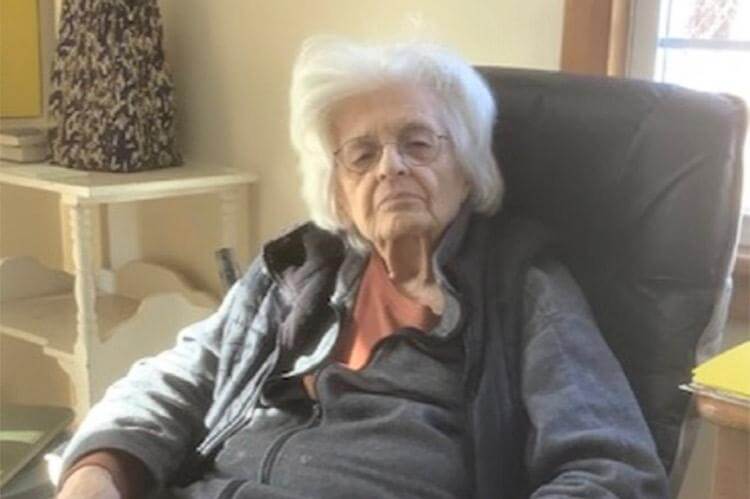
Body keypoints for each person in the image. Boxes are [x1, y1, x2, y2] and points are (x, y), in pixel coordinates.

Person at [57, 37, 669, 499]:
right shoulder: (299, 270)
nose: (390, 168)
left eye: (419, 143)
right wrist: (100, 468)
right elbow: (180, 376)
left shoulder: (521, 286)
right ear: (340, 188)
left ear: (469, 165)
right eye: (362, 153)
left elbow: (610, 466)